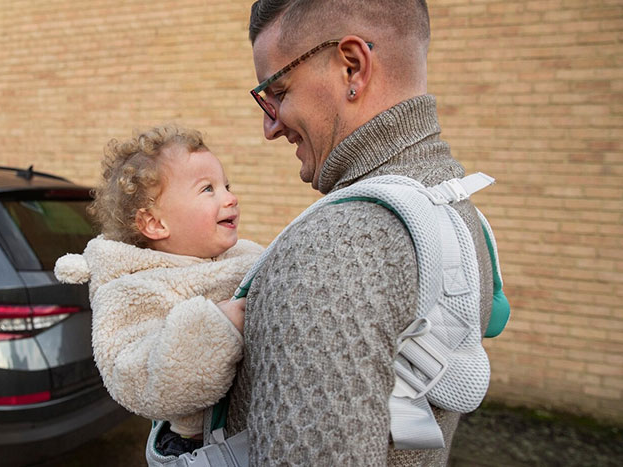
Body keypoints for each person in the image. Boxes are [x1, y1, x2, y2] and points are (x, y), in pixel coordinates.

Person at [224, 1, 495, 465]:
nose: (270, 125)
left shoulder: (329, 251)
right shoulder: (455, 206)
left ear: (352, 67)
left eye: (278, 91)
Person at [53, 125, 263, 457]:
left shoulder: (242, 257)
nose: (230, 197)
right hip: (200, 446)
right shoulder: (132, 289)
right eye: (208, 189)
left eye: (226, 185)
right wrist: (218, 326)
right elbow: (139, 379)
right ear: (154, 223)